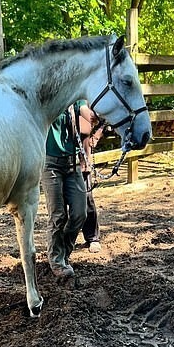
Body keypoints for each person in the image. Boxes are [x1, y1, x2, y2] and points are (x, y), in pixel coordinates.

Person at [41, 101, 92, 278]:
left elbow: (88, 114)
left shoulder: (76, 99)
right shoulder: (50, 95)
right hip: (50, 163)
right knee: (58, 215)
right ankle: (57, 260)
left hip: (72, 162)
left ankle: (63, 252)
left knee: (80, 213)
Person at [78, 108, 103, 253]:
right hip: (62, 161)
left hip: (82, 160)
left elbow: (103, 117)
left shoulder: (87, 101)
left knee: (87, 199)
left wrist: (96, 137)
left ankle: (92, 237)